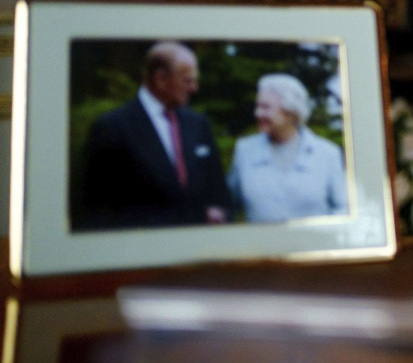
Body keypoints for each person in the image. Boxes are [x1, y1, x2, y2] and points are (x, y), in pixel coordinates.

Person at [78, 42, 231, 230]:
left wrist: (219, 213)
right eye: (187, 80)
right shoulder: (112, 127)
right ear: (160, 79)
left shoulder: (199, 124)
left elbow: (219, 192)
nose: (194, 88)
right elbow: (93, 208)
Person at [228, 73, 349, 223]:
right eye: (257, 106)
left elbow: (343, 208)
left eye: (265, 107)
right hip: (260, 245)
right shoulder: (244, 151)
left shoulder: (327, 153)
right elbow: (227, 205)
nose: (257, 113)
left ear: (290, 113)